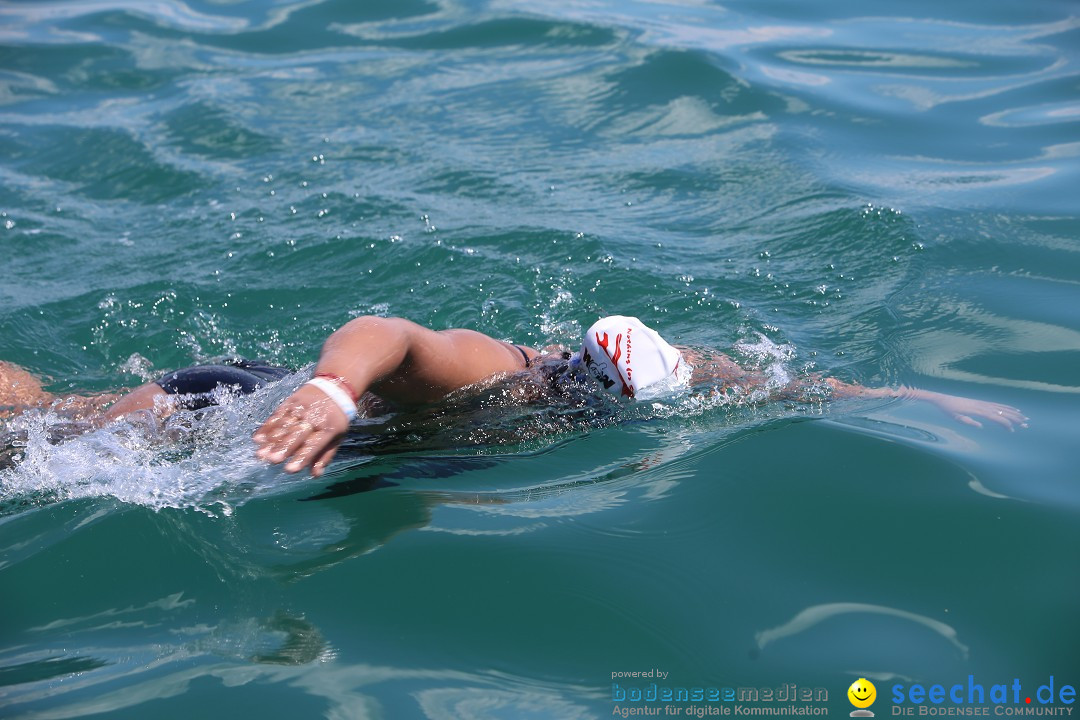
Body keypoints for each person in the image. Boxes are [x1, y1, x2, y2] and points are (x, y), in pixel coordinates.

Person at [1, 316, 1026, 477]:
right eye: (584, 385)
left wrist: (921, 399)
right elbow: (389, 330)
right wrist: (330, 389)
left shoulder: (658, 379)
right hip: (232, 401)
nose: (583, 400)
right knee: (38, 425)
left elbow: (772, 386)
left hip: (349, 440)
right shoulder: (499, 368)